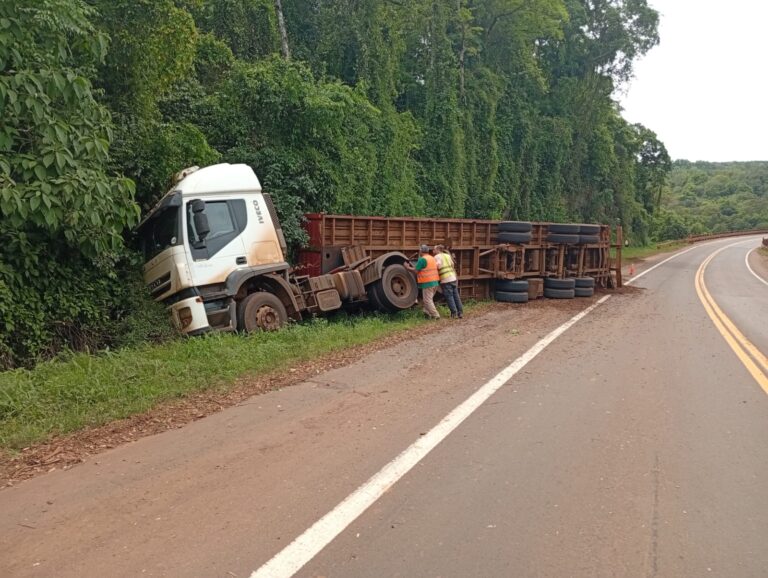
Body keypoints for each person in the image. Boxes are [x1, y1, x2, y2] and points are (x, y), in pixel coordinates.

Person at [406, 244, 440, 319]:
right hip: (435, 282)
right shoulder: (431, 258)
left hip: (428, 283)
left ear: (421, 251)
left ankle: (436, 315)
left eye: (420, 250)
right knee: (429, 299)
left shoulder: (422, 259)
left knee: (427, 300)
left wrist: (407, 267)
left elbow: (416, 270)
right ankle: (427, 313)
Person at [434, 244, 463, 319]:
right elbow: (452, 265)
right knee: (456, 295)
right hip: (453, 277)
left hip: (445, 279)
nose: (433, 251)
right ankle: (460, 312)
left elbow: (437, 266)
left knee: (449, 297)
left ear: (438, 250)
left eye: (434, 249)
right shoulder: (447, 255)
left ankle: (454, 313)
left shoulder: (436, 257)